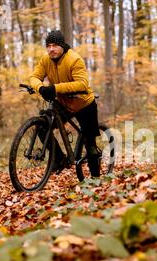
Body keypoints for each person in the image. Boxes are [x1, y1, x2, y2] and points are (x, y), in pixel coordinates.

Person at [29, 30, 100, 177]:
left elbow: (82, 84)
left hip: (84, 104)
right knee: (42, 126)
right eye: (48, 46)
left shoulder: (74, 59)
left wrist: (55, 88)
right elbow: (34, 77)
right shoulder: (45, 60)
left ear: (62, 46)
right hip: (64, 104)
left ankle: (95, 180)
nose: (51, 49)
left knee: (90, 144)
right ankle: (60, 159)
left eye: (55, 45)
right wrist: (40, 88)